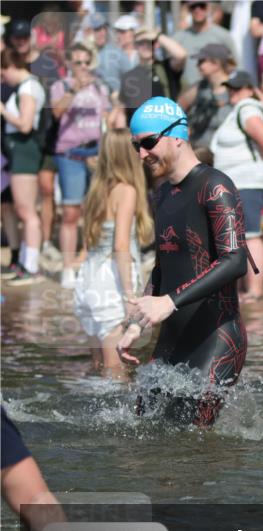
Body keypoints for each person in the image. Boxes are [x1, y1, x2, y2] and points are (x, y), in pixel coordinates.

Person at [115, 98, 250, 427]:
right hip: (172, 338)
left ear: (177, 136)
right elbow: (163, 267)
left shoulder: (215, 186)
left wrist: (169, 302)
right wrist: (137, 324)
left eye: (148, 142)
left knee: (191, 443)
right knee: (145, 432)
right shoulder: (163, 194)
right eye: (136, 145)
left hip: (216, 339)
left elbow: (235, 261)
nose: (141, 154)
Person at [73, 128, 152, 374]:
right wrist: (129, 296)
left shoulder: (96, 190)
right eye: (137, 146)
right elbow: (121, 246)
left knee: (98, 366)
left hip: (88, 278)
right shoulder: (126, 190)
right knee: (116, 371)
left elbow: (89, 241)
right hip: (111, 282)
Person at [50, 42, 115, 289]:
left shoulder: (99, 87)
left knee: (95, 211)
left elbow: (107, 119)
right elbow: (57, 112)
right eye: (78, 62)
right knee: (70, 212)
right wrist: (75, 88)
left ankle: (88, 261)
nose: (84, 67)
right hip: (70, 153)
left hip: (95, 153)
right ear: (69, 64)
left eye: (87, 62)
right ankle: (67, 267)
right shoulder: (60, 85)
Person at [210, 70, 263, 303]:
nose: (233, 92)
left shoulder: (248, 107)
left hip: (250, 182)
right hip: (242, 183)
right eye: (230, 88)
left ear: (250, 89)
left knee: (251, 235)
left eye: (238, 88)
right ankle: (246, 288)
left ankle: (255, 290)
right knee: (242, 236)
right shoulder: (240, 108)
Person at [1, 50, 46, 285]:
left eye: (2, 73)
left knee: (27, 212)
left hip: (25, 152)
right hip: (18, 152)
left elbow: (26, 125)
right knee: (22, 210)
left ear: (10, 67)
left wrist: (2, 111)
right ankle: (25, 264)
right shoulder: (25, 87)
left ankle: (32, 267)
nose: (3, 79)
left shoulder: (28, 87)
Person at [119, 29, 188, 122]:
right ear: (135, 46)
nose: (145, 46)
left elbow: (181, 55)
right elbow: (124, 110)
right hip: (140, 128)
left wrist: (157, 35)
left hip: (166, 126)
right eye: (141, 43)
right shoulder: (128, 77)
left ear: (155, 45)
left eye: (149, 43)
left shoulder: (166, 68)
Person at [178, 43, 235, 152]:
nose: (198, 66)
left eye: (201, 61)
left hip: (224, 154)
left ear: (216, 64)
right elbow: (177, 109)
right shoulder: (199, 87)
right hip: (198, 152)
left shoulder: (237, 88)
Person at [172, 0, 237, 89]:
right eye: (193, 7)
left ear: (208, 7)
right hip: (187, 90)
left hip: (217, 90)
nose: (198, 10)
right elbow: (172, 69)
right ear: (188, 9)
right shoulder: (178, 38)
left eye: (202, 6)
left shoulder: (223, 36)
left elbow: (235, 65)